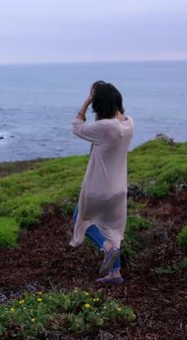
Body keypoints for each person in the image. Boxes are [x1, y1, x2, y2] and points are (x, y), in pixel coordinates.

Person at [71, 80, 134, 284]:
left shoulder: (104, 127)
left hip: (99, 188)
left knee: (81, 217)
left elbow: (77, 127)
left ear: (100, 103)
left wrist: (87, 102)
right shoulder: (128, 123)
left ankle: (108, 249)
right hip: (118, 190)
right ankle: (114, 274)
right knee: (113, 229)